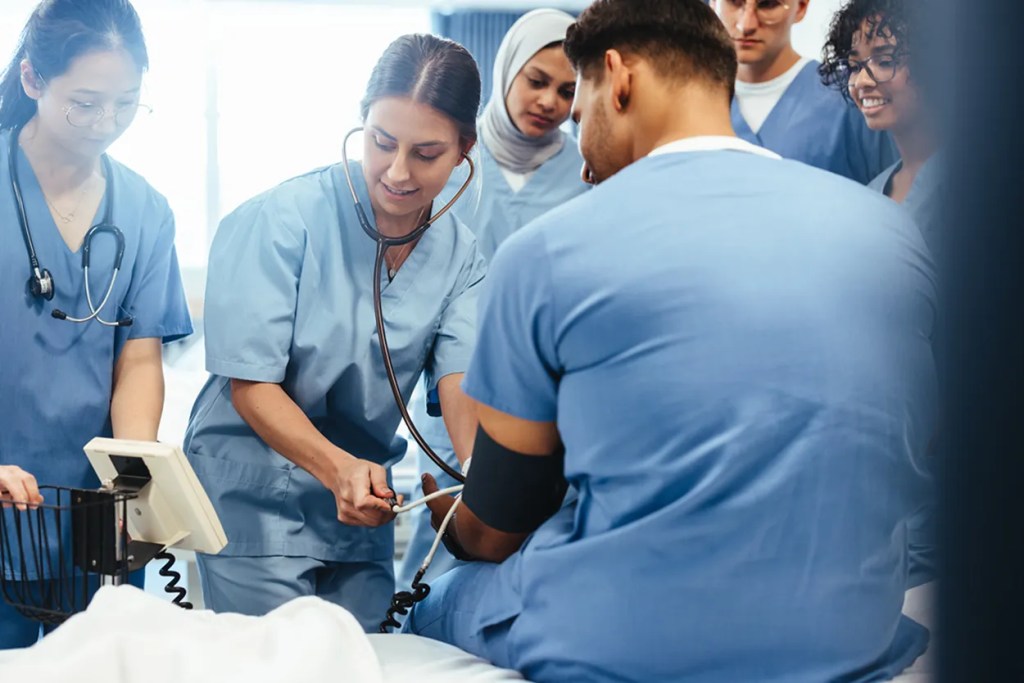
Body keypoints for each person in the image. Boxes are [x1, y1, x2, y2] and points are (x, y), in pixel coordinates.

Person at [404, 1, 936, 681]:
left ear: (618, 79)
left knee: (439, 599)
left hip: (630, 640)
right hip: (848, 633)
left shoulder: (546, 253)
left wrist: (455, 519)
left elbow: (502, 520)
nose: (581, 150)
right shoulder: (889, 230)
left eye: (580, 109)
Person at [183, 33, 485, 632]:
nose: (397, 172)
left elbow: (459, 380)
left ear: (463, 151)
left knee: (367, 659)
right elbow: (252, 385)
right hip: (254, 497)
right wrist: (336, 468)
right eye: (382, 142)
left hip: (358, 510)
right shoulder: (279, 220)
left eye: (426, 153)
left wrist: (483, 473)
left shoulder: (462, 257)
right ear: (362, 124)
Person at [0, 0, 192, 648]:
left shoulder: (144, 209)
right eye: (83, 103)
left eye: (125, 103)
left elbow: (138, 358)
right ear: (32, 80)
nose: (104, 123)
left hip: (92, 509)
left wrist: (131, 476)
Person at [399, 8, 588, 588]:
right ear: (507, 71)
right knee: (435, 558)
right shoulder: (445, 162)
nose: (549, 101)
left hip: (539, 398)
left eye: (567, 90)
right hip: (449, 391)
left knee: (522, 554)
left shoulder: (586, 171)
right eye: (536, 80)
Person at [821, 0, 940, 588]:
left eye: (885, 61)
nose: (863, 81)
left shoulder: (986, 187)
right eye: (855, 65)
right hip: (878, 499)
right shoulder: (873, 195)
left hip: (947, 492)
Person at [711, 0, 896, 183]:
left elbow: (895, 191)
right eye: (734, 2)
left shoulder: (854, 95)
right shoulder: (693, 101)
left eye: (768, 4)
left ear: (801, 7)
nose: (746, 25)